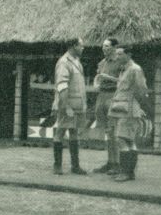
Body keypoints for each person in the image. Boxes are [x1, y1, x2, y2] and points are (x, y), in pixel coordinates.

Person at [108, 47, 149, 182]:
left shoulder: (134, 69)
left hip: (129, 109)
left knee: (121, 139)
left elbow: (142, 89)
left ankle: (126, 172)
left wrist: (137, 105)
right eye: (117, 54)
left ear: (129, 55)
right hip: (122, 108)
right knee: (129, 140)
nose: (117, 57)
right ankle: (129, 172)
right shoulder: (124, 70)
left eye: (120, 54)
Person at [52, 38, 88, 175]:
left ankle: (75, 166)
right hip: (67, 104)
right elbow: (62, 85)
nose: (83, 48)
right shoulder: (64, 62)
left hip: (77, 105)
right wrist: (65, 106)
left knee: (74, 132)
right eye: (81, 46)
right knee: (60, 132)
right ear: (74, 46)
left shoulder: (76, 61)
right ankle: (57, 166)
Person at [92, 38, 123, 174]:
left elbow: (124, 81)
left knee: (114, 131)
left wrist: (108, 78)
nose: (104, 48)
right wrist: (96, 83)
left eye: (107, 46)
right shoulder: (101, 63)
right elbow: (97, 78)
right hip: (102, 96)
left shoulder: (120, 63)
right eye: (103, 46)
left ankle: (117, 164)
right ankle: (110, 162)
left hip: (113, 96)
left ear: (115, 47)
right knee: (108, 132)